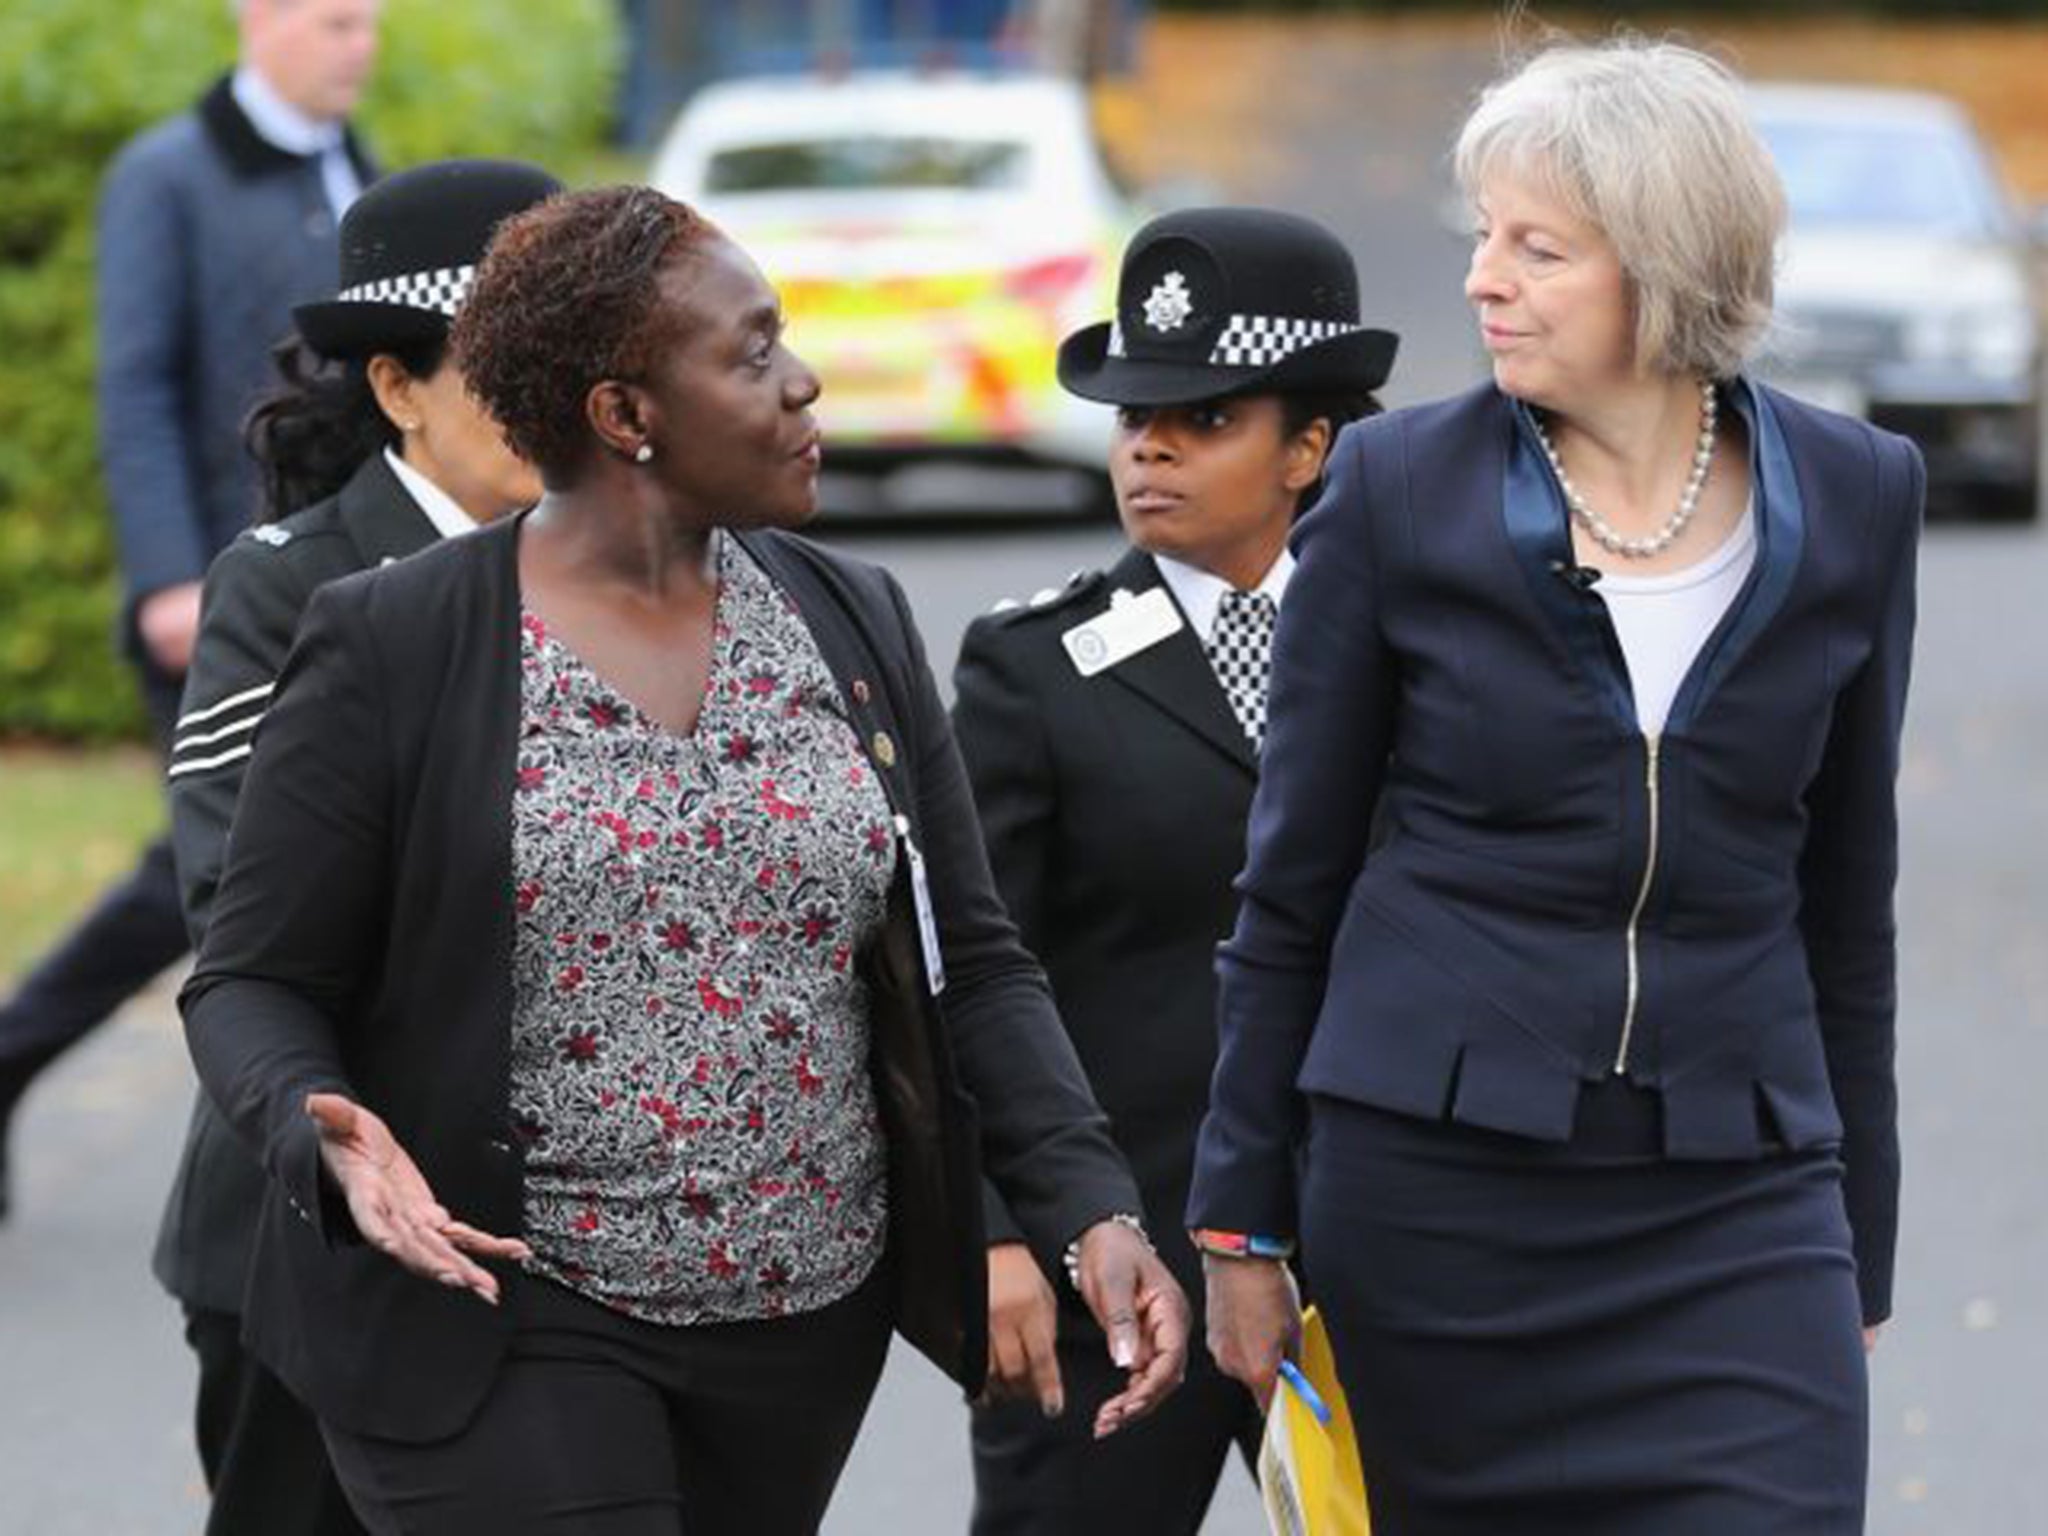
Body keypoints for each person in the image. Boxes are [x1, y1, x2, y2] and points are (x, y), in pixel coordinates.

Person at [179, 184, 1190, 1536]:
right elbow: (249, 978)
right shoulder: (395, 639)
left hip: (796, 1331)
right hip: (505, 1317)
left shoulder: (850, 614)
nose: (804, 380)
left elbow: (978, 960)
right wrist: (324, 1128)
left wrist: (1086, 1207)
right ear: (624, 415)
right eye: (755, 351)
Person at [1192, 39, 1921, 1534]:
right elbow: (1294, 882)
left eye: (1538, 246)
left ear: (1664, 264)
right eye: (1483, 239)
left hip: (1740, 1188)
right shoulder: (1399, 492)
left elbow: (1848, 894)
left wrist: (1864, 1232)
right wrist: (1237, 1220)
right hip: (1441, 1197)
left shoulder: (1860, 495)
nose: (1482, 280)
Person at [950, 207, 1395, 1534]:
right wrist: (994, 1236)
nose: (1148, 444)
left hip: (1381, 1262)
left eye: (1205, 418)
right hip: (1115, 1270)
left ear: (1309, 446)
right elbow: (964, 976)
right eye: (1134, 414)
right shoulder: (1029, 668)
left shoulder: (1420, 652)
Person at [160, 156, 562, 1536]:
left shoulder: (645, 577)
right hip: (314, 1220)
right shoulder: (286, 584)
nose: (550, 407)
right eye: (502, 371)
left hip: (567, 1233)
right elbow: (234, 902)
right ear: (396, 387)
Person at [0, 0, 381, 1219]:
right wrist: (169, 572)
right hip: (220, 590)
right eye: (332, 21)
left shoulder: (355, 167)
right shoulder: (165, 175)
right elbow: (136, 383)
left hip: (344, 582)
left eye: (368, 22)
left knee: (242, 866)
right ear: (257, 20)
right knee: (209, 869)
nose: (357, 45)